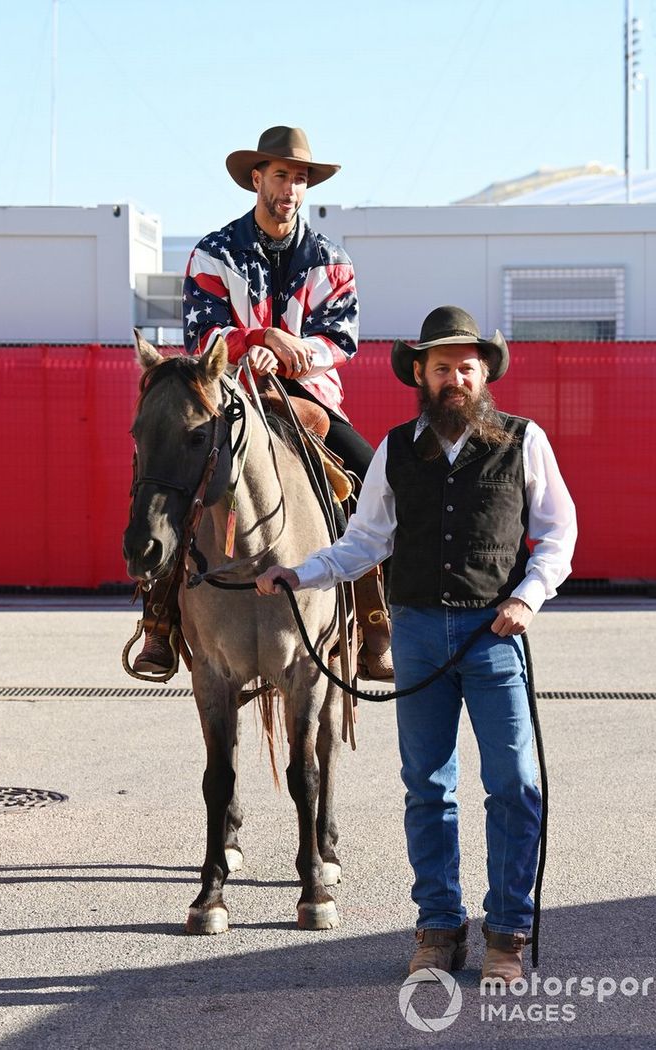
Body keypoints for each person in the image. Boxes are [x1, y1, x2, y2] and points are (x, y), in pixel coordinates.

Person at [255, 305, 577, 983]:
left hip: (495, 635)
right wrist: (299, 571)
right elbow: (364, 543)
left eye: (465, 365)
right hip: (420, 634)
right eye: (440, 367)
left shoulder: (524, 440)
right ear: (422, 377)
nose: (453, 377)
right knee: (428, 788)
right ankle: (437, 928)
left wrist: (528, 597)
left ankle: (508, 933)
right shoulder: (398, 449)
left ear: (483, 371)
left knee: (515, 784)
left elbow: (558, 534)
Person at [132, 126, 392, 679]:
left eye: (300, 178)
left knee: (374, 479)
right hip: (229, 393)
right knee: (169, 468)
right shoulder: (214, 252)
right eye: (281, 175)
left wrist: (294, 352)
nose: (291, 188)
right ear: (256, 179)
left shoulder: (331, 259)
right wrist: (259, 342)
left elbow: (341, 340)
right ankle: (160, 621)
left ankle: (374, 624)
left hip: (306, 395)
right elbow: (202, 339)